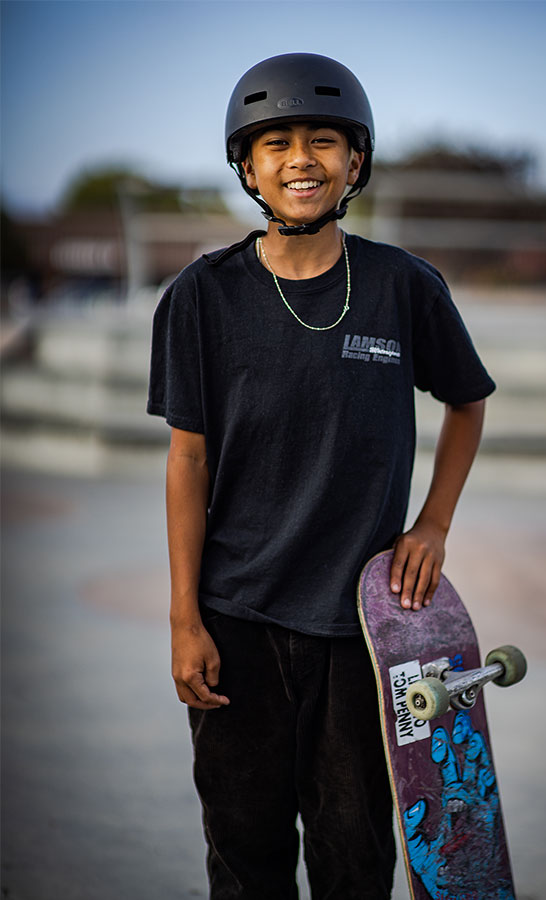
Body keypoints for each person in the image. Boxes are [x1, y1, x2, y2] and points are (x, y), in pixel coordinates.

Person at [147, 53, 495, 900]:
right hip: (237, 623)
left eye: (322, 140)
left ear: (356, 162)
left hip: (364, 635)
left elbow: (467, 401)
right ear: (248, 167)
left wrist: (432, 524)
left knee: (354, 856)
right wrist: (184, 616)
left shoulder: (403, 286)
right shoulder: (202, 297)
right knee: (244, 853)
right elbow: (187, 460)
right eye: (275, 144)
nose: (300, 158)